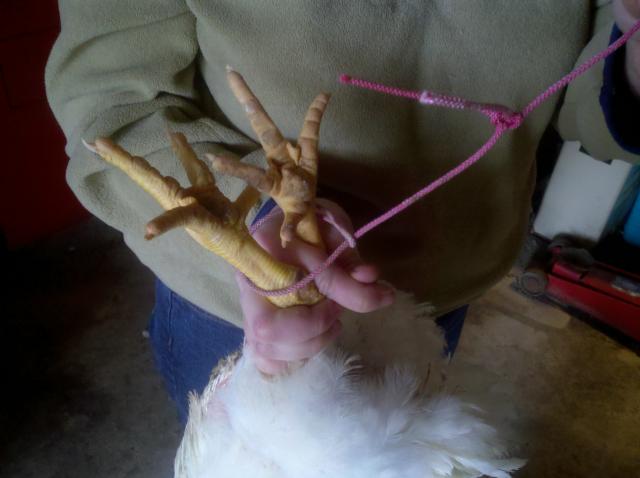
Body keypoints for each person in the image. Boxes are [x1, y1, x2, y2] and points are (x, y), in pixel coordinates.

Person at [46, 1, 640, 423]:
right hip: (236, 305)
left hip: (443, 290)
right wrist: (266, 220)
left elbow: (590, 105)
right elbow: (109, 103)